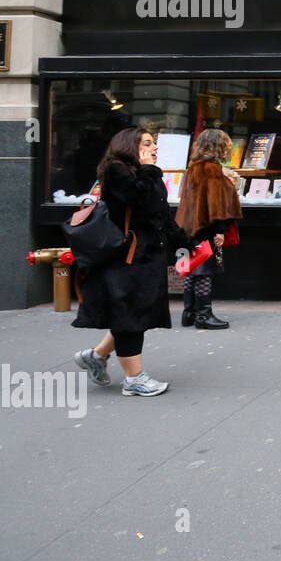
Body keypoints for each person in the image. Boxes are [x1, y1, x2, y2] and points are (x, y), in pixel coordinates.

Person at [72, 127, 197, 396]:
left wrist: (187, 242)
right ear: (131, 145)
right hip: (126, 258)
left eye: (154, 143)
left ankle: (95, 356)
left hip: (146, 256)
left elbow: (159, 216)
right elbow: (135, 200)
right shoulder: (116, 171)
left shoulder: (140, 172)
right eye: (148, 143)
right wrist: (149, 170)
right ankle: (134, 379)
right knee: (130, 317)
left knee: (131, 313)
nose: (155, 148)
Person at [176, 128, 243, 329]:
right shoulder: (212, 170)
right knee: (204, 272)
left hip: (189, 227)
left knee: (191, 269)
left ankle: (189, 313)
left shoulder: (193, 168)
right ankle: (204, 316)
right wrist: (220, 230)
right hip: (207, 228)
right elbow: (217, 204)